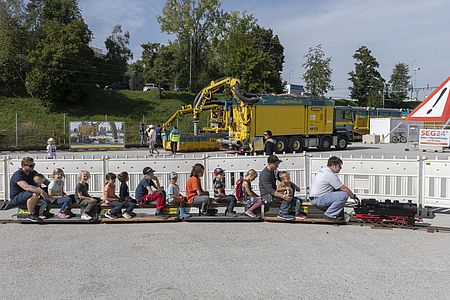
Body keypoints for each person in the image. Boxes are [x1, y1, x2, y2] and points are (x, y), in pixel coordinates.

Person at [309, 156, 358, 221]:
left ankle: (337, 214)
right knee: (344, 195)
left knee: (338, 193)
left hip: (316, 198)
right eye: (339, 166)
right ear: (334, 165)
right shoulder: (329, 175)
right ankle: (329, 215)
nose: (340, 168)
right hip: (318, 199)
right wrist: (354, 196)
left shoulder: (323, 171)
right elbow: (343, 188)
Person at [259, 155, 301, 220]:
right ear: (270, 164)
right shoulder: (265, 174)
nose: (277, 166)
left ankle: (290, 208)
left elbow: (284, 179)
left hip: (273, 193)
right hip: (267, 196)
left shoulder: (274, 171)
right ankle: (282, 213)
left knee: (290, 189)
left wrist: (295, 186)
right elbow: (271, 191)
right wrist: (284, 196)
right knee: (286, 196)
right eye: (276, 164)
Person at [9, 157, 50, 222]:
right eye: (30, 166)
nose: (32, 167)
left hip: (27, 194)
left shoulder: (33, 172)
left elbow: (44, 180)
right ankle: (31, 214)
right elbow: (26, 187)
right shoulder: (18, 175)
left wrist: (53, 187)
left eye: (33, 165)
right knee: (35, 193)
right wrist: (41, 191)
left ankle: (44, 211)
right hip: (17, 197)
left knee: (48, 190)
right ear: (23, 165)